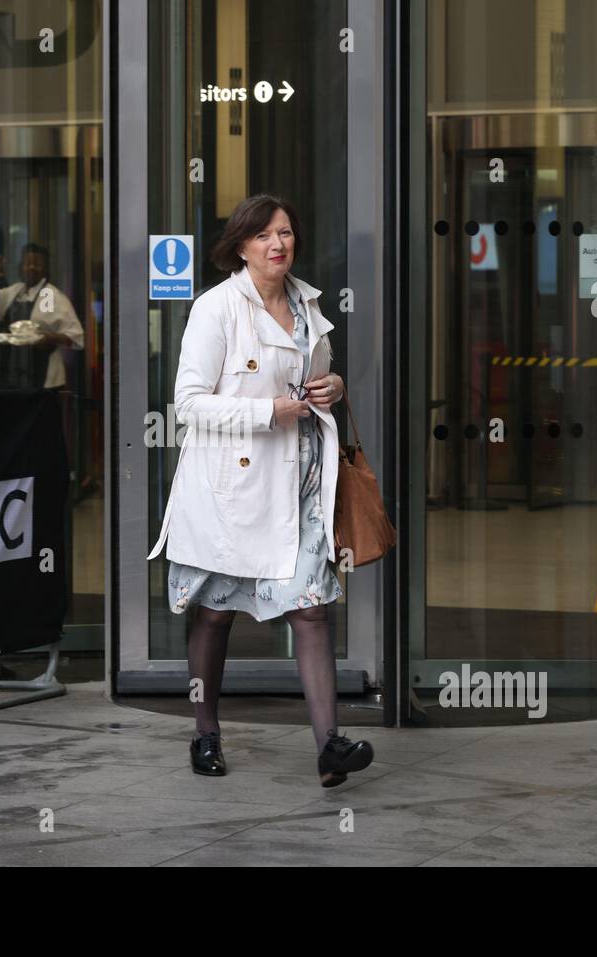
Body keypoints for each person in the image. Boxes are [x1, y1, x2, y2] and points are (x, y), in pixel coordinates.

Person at [145, 194, 375, 788]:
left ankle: (329, 745)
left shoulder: (307, 303)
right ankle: (204, 733)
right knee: (216, 614)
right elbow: (189, 405)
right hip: (232, 490)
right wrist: (266, 410)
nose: (280, 244)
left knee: (313, 609)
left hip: (298, 483)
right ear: (241, 245)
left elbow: (315, 372)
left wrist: (333, 385)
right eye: (267, 235)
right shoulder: (216, 309)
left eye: (287, 233)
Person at [0, 242, 84, 391]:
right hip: (14, 376)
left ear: (45, 269)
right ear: (20, 266)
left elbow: (75, 337)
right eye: (27, 263)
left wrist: (49, 338)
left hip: (45, 379)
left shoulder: (48, 295)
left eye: (37, 264)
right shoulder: (16, 291)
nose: (31, 268)